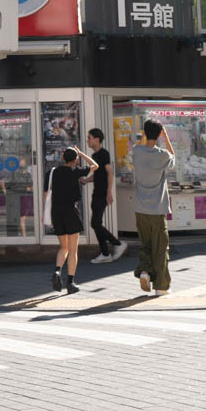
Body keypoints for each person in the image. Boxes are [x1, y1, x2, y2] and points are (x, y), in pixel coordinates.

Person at [131, 120, 178, 295]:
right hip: (158, 209)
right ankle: (161, 286)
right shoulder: (163, 155)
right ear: (159, 135)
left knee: (145, 244)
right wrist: (165, 137)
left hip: (140, 208)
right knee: (160, 247)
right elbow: (174, 159)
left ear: (144, 133)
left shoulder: (137, 152)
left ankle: (145, 271)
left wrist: (146, 134)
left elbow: (141, 146)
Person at [48, 146, 94, 293]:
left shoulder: (53, 172)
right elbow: (96, 166)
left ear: (63, 158)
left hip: (56, 212)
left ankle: (57, 271)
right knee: (73, 249)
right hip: (70, 212)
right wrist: (81, 154)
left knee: (63, 247)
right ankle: (70, 283)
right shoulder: (76, 172)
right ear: (75, 160)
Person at [82, 128, 122, 263]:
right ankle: (106, 253)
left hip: (102, 194)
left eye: (89, 138)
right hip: (97, 193)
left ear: (97, 139)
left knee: (95, 223)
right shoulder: (95, 155)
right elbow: (99, 175)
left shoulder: (103, 154)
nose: (88, 140)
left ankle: (117, 245)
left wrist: (109, 192)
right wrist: (86, 180)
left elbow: (110, 172)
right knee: (96, 223)